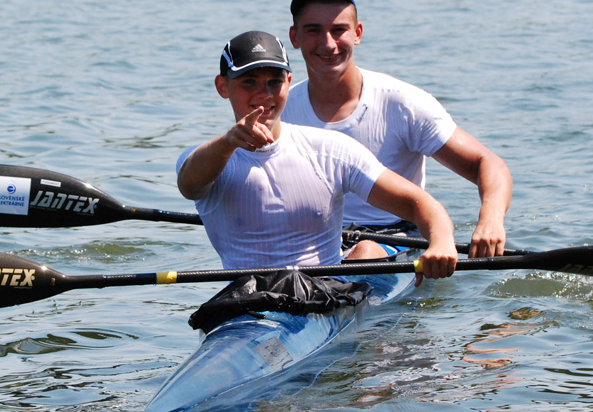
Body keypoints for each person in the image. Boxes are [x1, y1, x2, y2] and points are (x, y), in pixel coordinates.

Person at [177, 30, 458, 286]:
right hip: (245, 301)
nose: (264, 95)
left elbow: (421, 204)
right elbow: (189, 185)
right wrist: (228, 143)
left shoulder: (331, 150)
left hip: (325, 298)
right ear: (222, 87)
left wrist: (441, 241)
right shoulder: (206, 161)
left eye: (275, 82)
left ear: (288, 82)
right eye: (249, 82)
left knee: (368, 252)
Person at [284, 0, 513, 259]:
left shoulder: (402, 103)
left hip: (396, 237)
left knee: (365, 252)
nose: (328, 43)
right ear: (294, 38)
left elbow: (488, 163)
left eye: (338, 30)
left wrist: (490, 220)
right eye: (313, 31)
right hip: (317, 239)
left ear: (357, 33)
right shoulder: (280, 110)